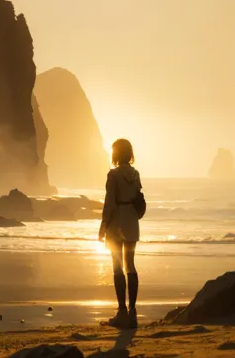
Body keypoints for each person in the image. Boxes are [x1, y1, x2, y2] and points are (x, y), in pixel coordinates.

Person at [99, 138, 142, 329]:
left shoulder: (113, 175)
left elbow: (109, 203)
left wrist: (103, 225)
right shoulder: (136, 174)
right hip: (132, 221)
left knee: (117, 266)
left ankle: (121, 312)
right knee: (130, 265)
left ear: (116, 153)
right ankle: (133, 313)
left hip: (116, 222)